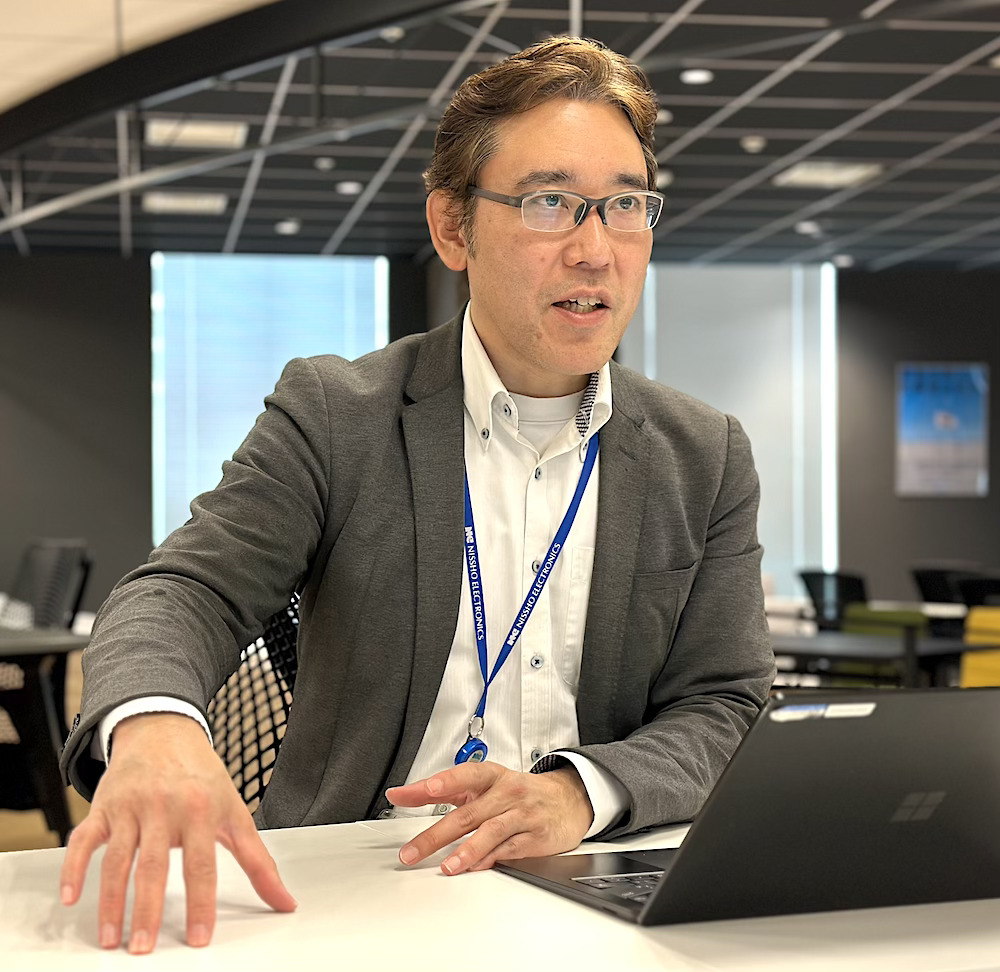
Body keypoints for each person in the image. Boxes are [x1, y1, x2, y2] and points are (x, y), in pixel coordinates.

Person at [58, 35, 775, 954]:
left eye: (625, 205)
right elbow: (182, 592)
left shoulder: (704, 453)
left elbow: (725, 704)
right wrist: (155, 724)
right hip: (359, 887)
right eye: (550, 203)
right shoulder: (338, 414)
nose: (595, 250)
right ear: (453, 229)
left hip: (591, 884)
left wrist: (577, 791)